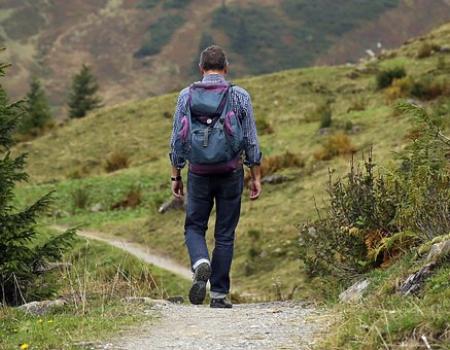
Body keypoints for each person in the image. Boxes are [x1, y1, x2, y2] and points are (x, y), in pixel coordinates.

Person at [169, 45, 262, 308]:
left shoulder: (186, 96)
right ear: (226, 67)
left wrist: (176, 174)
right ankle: (219, 294)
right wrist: (255, 174)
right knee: (225, 233)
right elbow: (250, 139)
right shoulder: (239, 96)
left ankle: (201, 262)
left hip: (198, 172)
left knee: (194, 226)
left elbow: (177, 138)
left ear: (201, 69)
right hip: (231, 171)